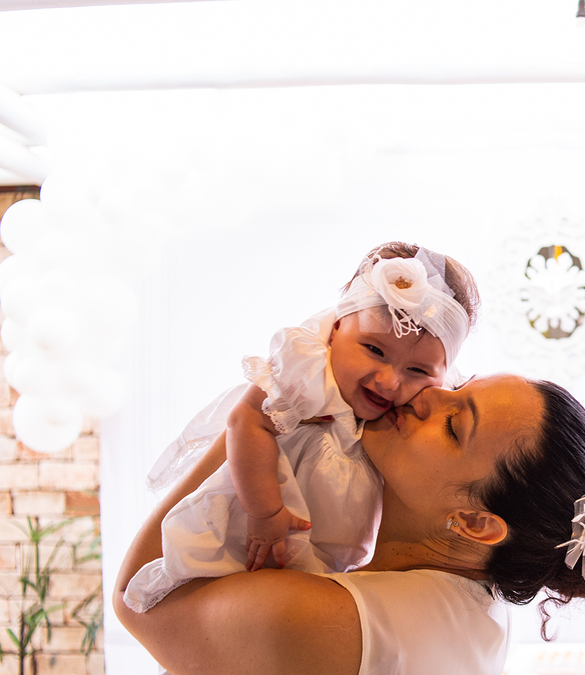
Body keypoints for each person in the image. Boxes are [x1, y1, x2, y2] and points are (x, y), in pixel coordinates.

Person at [114, 373, 585, 675]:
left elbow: (142, 599)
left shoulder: (341, 623)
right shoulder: (473, 613)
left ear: (475, 523)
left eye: (454, 424)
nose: (428, 395)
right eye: (459, 386)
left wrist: (257, 418)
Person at [123, 242, 479, 613]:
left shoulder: (422, 413)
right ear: (335, 329)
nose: (389, 381)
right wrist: (265, 512)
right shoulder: (306, 370)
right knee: (229, 590)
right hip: (259, 520)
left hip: (323, 553)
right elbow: (245, 420)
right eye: (374, 350)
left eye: (417, 370)